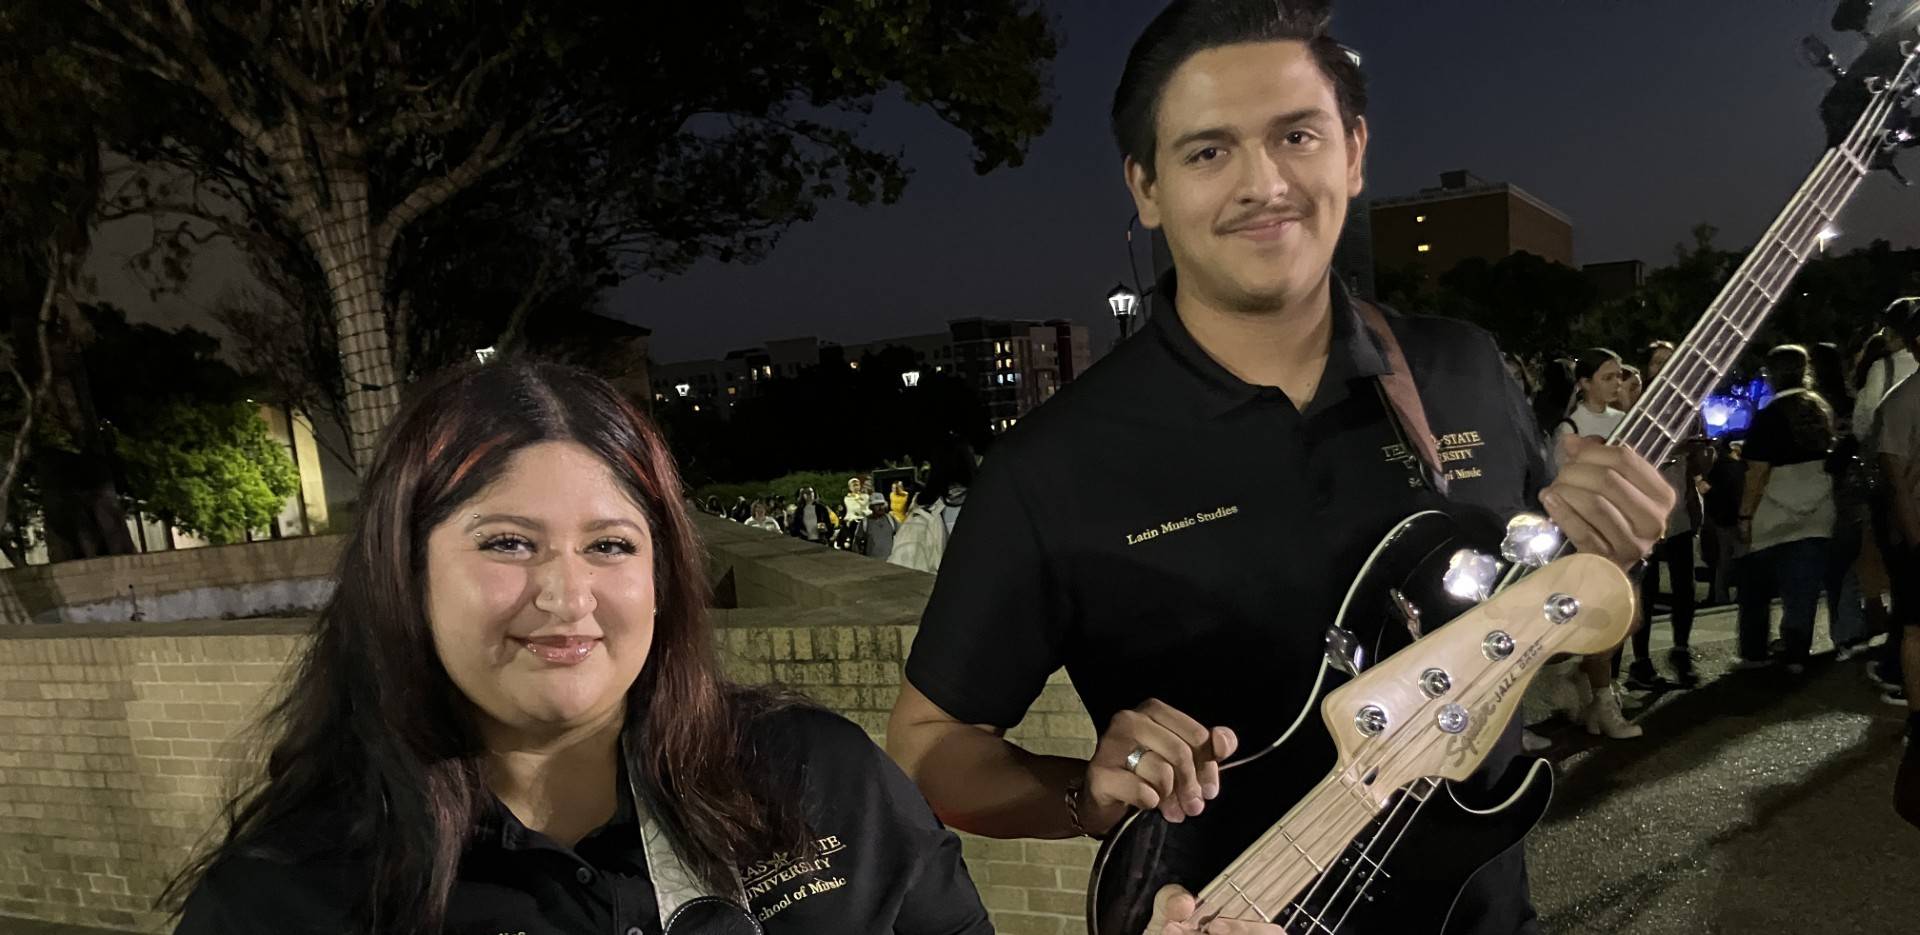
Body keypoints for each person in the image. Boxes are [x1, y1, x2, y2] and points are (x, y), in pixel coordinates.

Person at [884, 5, 1674, 933]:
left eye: (1297, 134)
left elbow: (1516, 613)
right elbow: (929, 745)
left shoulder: (1463, 369)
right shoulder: (1052, 463)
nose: (1265, 183)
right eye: (1208, 152)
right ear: (1145, 186)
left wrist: (1598, 541)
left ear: (1354, 151)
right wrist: (1083, 796)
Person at [164, 362, 991, 935]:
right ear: (404, 573)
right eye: (509, 543)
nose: (566, 598)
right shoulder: (286, 897)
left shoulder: (821, 781)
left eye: (610, 545)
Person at [1550, 348, 1642, 738]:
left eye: (1619, 376)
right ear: (1584, 383)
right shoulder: (1569, 428)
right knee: (1605, 615)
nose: (1616, 384)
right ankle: (1602, 700)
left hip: (1626, 531)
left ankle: (1589, 682)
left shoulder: (1627, 421)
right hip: (1589, 536)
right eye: (1607, 377)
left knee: (1629, 616)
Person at [1734, 345, 1837, 675]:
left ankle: (1754, 652)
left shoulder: (1768, 417)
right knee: (1802, 588)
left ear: (1771, 375)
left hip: (1775, 511)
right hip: (1818, 510)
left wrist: (1745, 515)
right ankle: (1795, 652)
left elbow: (1756, 473)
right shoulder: (1821, 410)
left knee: (1755, 585)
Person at [1874, 301, 1920, 707]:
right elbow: (1897, 482)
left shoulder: (1899, 400)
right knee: (1915, 627)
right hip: (1917, 528)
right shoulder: (1902, 400)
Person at [863, 493, 899, 561]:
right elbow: (856, 543)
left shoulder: (891, 520)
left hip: (891, 562)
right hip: (872, 563)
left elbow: (902, 535)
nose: (880, 507)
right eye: (877, 505)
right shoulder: (865, 522)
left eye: (882, 504)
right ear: (872, 507)